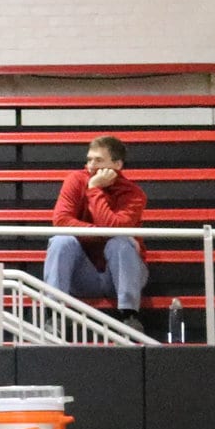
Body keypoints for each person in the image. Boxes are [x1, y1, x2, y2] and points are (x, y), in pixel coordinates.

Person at [44, 134, 148, 323]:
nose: (91, 165)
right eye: (89, 159)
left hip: (119, 276)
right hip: (82, 274)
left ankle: (130, 317)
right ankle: (53, 317)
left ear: (117, 164)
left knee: (120, 243)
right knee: (61, 240)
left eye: (99, 160)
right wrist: (100, 232)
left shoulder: (134, 194)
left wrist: (94, 190)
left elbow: (116, 229)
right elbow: (61, 220)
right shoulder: (75, 180)